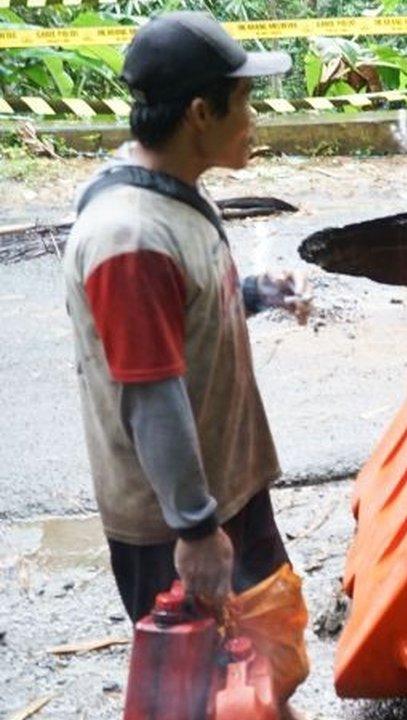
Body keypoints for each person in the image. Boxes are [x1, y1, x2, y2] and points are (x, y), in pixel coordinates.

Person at [62, 9, 311, 706]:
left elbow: (184, 313)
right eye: (247, 101)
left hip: (224, 490)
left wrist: (257, 292)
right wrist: (197, 533)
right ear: (201, 112)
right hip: (179, 522)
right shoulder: (130, 238)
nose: (256, 118)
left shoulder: (171, 195)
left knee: (265, 666)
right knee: (202, 696)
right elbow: (150, 394)